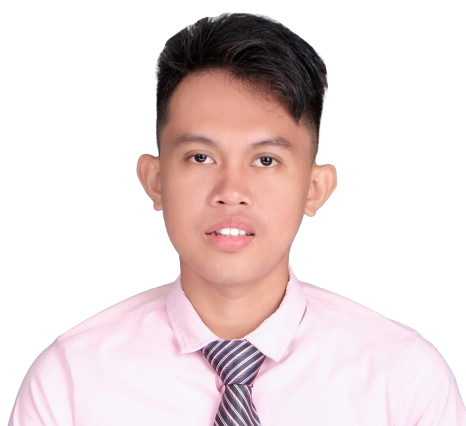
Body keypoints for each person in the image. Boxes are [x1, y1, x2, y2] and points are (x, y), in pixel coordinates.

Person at [9, 12, 465, 425]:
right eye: (201, 157)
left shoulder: (404, 380)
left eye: (265, 160)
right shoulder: (71, 381)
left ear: (315, 188)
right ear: (155, 181)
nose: (231, 192)